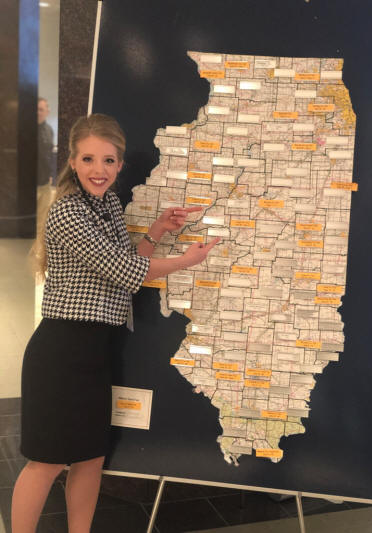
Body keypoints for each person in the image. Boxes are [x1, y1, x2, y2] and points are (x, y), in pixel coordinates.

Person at [11, 113, 219, 532]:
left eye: (108, 160)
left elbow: (124, 266)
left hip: (94, 354)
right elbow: (124, 271)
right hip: (60, 354)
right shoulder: (68, 212)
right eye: (88, 159)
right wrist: (184, 262)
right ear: (72, 161)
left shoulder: (106, 206)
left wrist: (157, 230)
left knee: (90, 459)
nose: (99, 170)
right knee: (46, 462)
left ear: (120, 164)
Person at [37, 98, 55, 230]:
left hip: (45, 184)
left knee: (42, 221)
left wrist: (50, 174)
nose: (38, 112)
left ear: (47, 112)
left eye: (41, 109)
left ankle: (37, 243)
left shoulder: (49, 130)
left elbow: (48, 155)